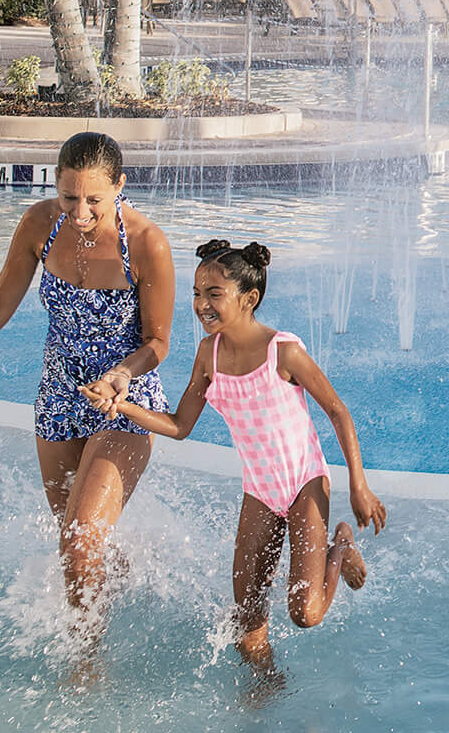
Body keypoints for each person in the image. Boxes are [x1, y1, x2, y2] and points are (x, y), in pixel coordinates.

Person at [0, 131, 173, 655]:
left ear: (120, 186)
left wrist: (121, 374)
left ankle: (87, 658)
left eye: (94, 199)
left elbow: (158, 341)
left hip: (124, 401)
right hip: (59, 400)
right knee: (75, 542)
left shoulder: (147, 243)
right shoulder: (39, 225)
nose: (81, 211)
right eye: (70, 197)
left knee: (81, 535)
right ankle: (121, 578)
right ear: (56, 186)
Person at [88, 238, 384, 672]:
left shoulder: (283, 351)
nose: (201, 304)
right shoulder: (208, 355)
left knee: (306, 614)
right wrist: (122, 406)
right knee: (247, 616)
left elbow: (338, 412)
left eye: (214, 295)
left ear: (249, 299)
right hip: (260, 492)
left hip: (305, 484)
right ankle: (266, 680)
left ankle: (340, 544)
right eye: (196, 293)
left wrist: (359, 485)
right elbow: (180, 426)